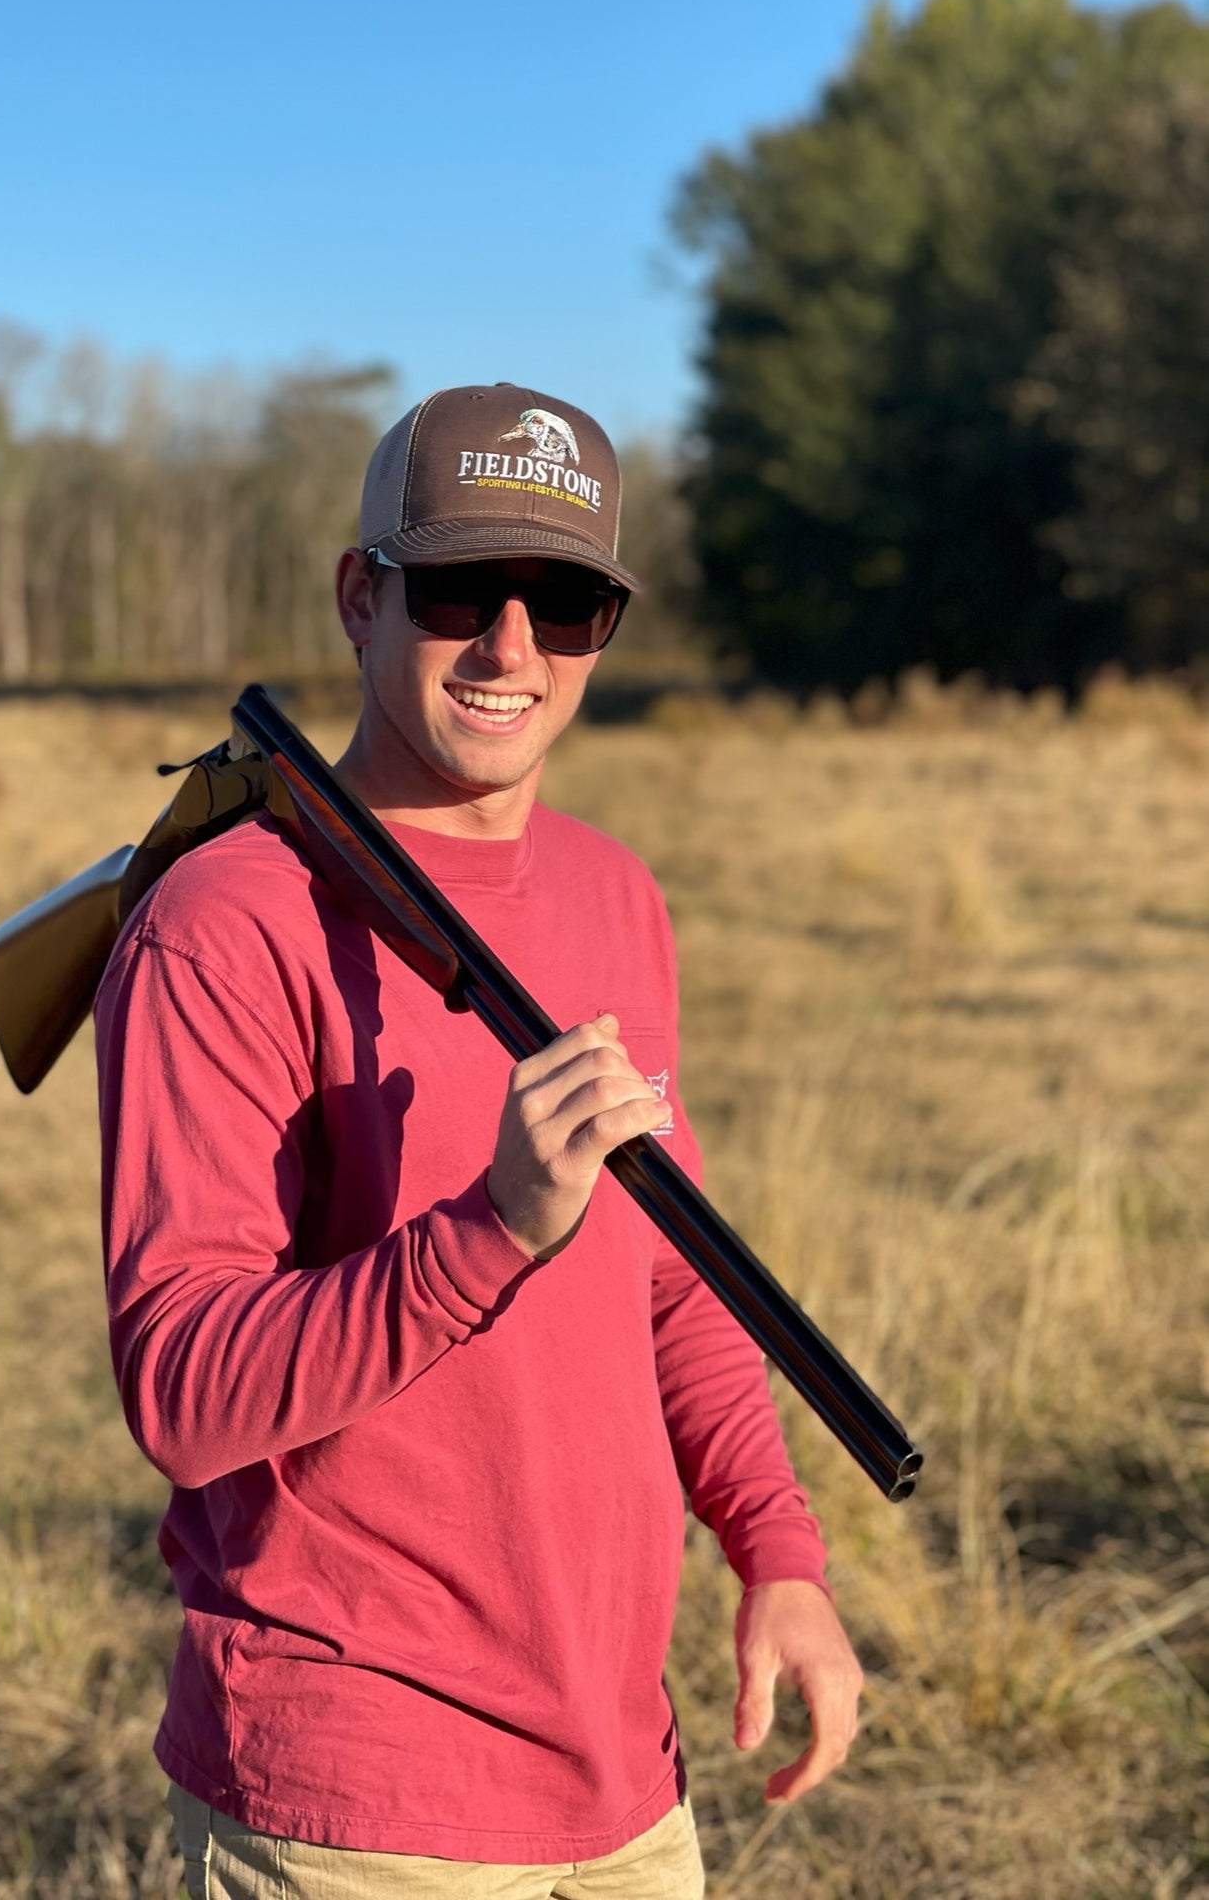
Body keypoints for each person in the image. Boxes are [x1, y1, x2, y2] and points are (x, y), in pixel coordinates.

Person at [95, 383, 863, 1899]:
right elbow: (182, 1397)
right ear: (358, 597)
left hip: (620, 1774)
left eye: (565, 602)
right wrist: (492, 1225)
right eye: (459, 590)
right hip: (350, 1802)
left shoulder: (613, 894)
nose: (511, 647)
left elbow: (676, 1277)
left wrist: (776, 1553)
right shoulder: (221, 925)